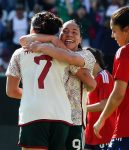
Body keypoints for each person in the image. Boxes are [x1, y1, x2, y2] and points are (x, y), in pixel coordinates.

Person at [6, 11, 96, 150]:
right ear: (57, 33)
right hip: (62, 116)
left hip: (35, 114)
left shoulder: (20, 53)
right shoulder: (64, 54)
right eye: (65, 31)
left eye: (74, 32)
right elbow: (91, 83)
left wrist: (35, 94)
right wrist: (53, 41)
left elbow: (11, 91)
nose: (70, 35)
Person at [94, 6, 129, 150]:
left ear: (127, 30)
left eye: (114, 30)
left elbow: (118, 94)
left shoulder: (125, 52)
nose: (112, 35)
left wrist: (101, 120)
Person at [84, 48, 115, 150]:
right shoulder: (90, 79)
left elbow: (104, 105)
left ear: (94, 60)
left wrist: (81, 108)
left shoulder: (104, 76)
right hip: (90, 133)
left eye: (83, 59)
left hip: (104, 133)